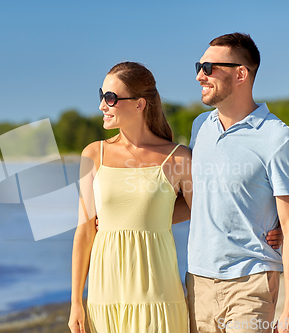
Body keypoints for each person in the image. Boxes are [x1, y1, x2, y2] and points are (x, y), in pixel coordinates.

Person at [182, 33, 289, 333]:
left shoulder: (279, 138)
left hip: (251, 282)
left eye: (209, 67)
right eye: (199, 66)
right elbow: (198, 201)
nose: (200, 75)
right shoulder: (200, 127)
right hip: (197, 282)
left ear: (241, 73)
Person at [68, 61, 194, 333]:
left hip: (158, 295)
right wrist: (76, 301)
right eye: (101, 96)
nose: (102, 105)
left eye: (110, 98)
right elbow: (84, 231)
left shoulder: (179, 157)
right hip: (104, 296)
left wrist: (270, 224)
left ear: (139, 105)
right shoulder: (93, 154)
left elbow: (203, 213)